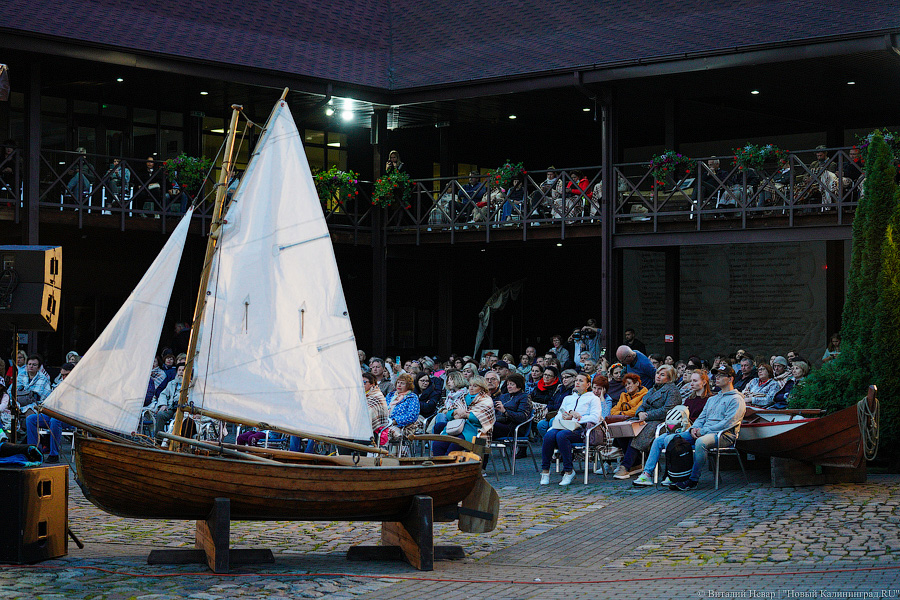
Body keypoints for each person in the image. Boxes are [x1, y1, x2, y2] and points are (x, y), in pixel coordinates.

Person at [632, 364, 746, 489]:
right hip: (703, 431)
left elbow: (728, 423)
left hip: (724, 434)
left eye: (721, 375)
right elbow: (701, 418)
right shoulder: (713, 399)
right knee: (665, 438)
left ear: (730, 379)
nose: (717, 378)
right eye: (716, 375)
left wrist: (702, 431)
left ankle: (693, 480)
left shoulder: (736, 399)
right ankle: (651, 474)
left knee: (700, 442)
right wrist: (693, 429)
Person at [613, 365, 679, 479]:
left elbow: (668, 410)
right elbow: (642, 405)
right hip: (644, 418)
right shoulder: (653, 389)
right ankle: (636, 463)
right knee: (622, 429)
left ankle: (626, 466)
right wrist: (640, 413)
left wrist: (647, 415)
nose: (658, 376)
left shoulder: (672, 390)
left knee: (640, 434)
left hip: (660, 422)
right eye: (658, 373)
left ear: (670, 378)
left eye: (662, 375)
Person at [539, 373, 602, 486]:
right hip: (564, 426)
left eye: (581, 381)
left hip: (582, 430)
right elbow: (559, 414)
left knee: (561, 436)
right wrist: (564, 416)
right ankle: (545, 471)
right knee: (549, 435)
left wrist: (576, 418)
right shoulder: (568, 398)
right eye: (576, 380)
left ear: (588, 384)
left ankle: (569, 471)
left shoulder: (593, 398)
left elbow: (595, 418)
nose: (577, 382)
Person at [431, 375, 494, 456]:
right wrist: (455, 412)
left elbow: (483, 419)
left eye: (475, 386)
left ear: (482, 388)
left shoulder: (486, 400)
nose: (471, 388)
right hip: (456, 428)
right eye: (470, 385)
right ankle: (440, 466)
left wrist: (466, 415)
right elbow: (449, 414)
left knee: (454, 447)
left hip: (474, 431)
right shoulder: (462, 397)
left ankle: (451, 467)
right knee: (438, 445)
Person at [24, 363, 74, 464]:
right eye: (62, 375)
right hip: (55, 413)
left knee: (54, 421)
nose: (64, 377)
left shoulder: (79, 387)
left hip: (70, 418)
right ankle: (34, 451)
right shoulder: (60, 384)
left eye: (66, 375)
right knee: (31, 419)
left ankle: (54, 454)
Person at [536, 368, 576, 438]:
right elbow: (552, 399)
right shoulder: (559, 388)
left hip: (564, 415)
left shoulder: (573, 391)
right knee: (541, 424)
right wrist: (548, 408)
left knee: (552, 421)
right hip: (553, 413)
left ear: (574, 378)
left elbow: (563, 405)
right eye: (563, 377)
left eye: (567, 377)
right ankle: (548, 442)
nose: (564, 379)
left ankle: (553, 443)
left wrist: (551, 408)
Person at [149, 362, 185, 438]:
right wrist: (163, 404)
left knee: (179, 418)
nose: (181, 372)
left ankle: (173, 441)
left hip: (182, 410)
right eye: (179, 370)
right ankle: (158, 439)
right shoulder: (171, 383)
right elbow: (163, 394)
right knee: (160, 414)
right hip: (171, 408)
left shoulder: (191, 385)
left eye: (183, 370)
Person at [492, 373, 532, 439]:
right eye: (508, 384)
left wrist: (505, 411)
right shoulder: (504, 396)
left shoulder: (525, 397)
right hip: (500, 422)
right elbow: (492, 403)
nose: (509, 386)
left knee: (488, 426)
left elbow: (522, 417)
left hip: (514, 427)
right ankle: (476, 446)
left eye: (512, 384)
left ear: (519, 385)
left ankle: (480, 447)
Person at [385, 373, 419, 443]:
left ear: (408, 386)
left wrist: (394, 421)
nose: (399, 385)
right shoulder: (390, 395)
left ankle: (383, 452)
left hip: (402, 426)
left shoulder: (412, 397)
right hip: (385, 422)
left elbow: (412, 416)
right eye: (398, 382)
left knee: (385, 433)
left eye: (402, 383)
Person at [362, 372, 390, 442]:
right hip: (358, 429)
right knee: (342, 440)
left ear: (372, 384)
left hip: (375, 431)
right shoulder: (359, 394)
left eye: (364, 382)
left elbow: (369, 412)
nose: (362, 384)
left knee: (356, 442)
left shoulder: (377, 395)